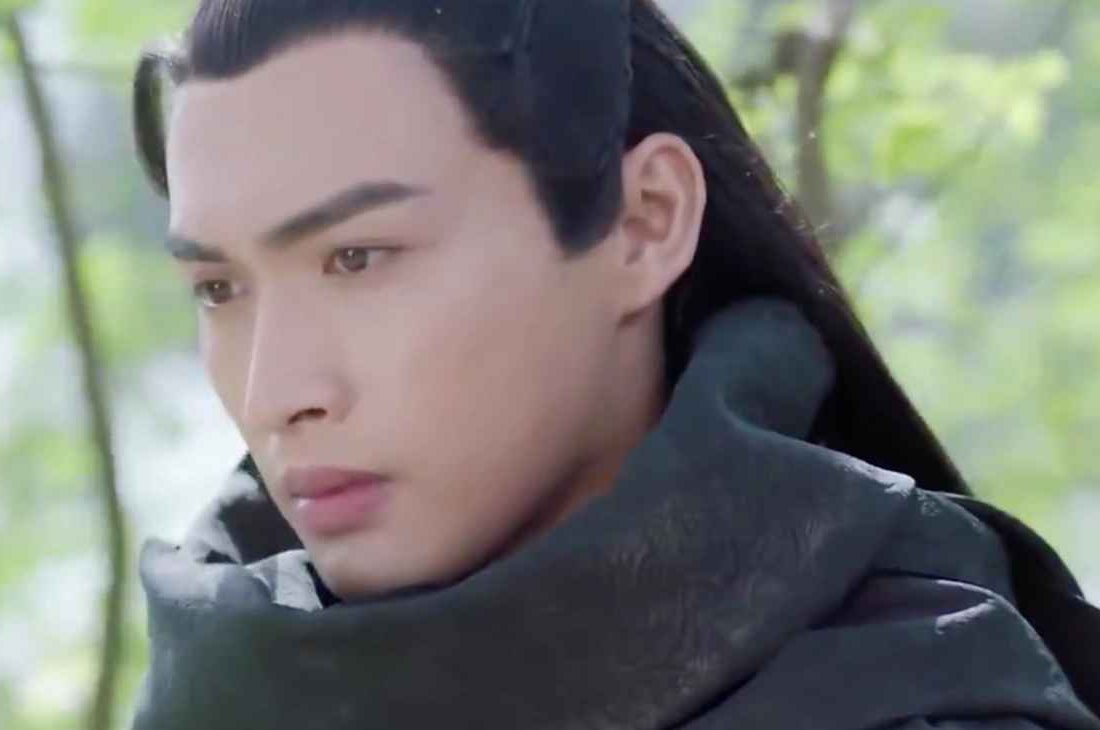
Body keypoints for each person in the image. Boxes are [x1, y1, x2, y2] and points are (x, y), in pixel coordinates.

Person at [128, 0, 1100, 728]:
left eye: (358, 258)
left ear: (644, 223)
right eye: (218, 287)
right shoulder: (222, 686)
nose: (274, 393)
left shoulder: (913, 691)